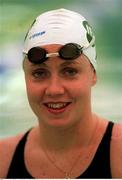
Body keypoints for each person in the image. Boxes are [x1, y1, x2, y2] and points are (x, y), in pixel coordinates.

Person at [0, 8, 122, 179]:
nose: (54, 90)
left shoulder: (118, 153)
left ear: (93, 74)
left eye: (70, 71)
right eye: (39, 73)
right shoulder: (3, 160)